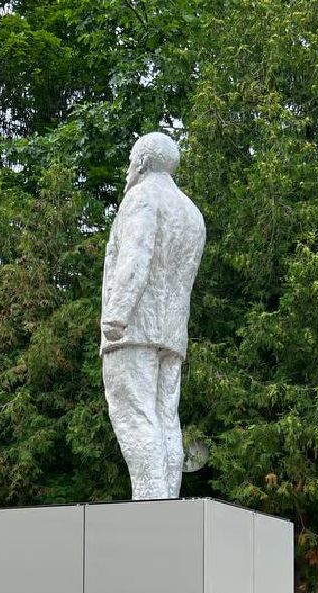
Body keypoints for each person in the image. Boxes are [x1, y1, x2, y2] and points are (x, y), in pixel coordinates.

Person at [100, 131, 206, 500]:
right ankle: (167, 504)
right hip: (172, 335)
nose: (129, 168)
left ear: (142, 162)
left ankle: (150, 506)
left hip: (133, 328)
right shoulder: (191, 212)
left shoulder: (141, 197)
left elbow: (136, 257)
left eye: (131, 160)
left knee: (134, 417)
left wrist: (116, 314)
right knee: (165, 420)